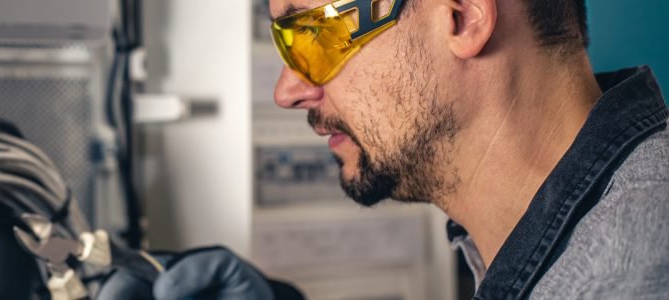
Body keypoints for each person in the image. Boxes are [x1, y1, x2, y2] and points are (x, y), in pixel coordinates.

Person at [99, 0, 669, 298]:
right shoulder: (559, 242)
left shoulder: (626, 280)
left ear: (460, 15)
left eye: (313, 34)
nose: (288, 90)